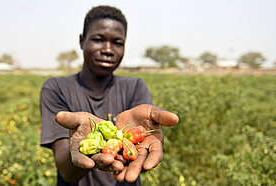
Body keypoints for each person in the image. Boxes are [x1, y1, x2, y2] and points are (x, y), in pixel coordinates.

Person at [40, 5, 179, 186]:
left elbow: (137, 151)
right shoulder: (56, 88)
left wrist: (137, 142)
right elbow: (67, 172)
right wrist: (85, 150)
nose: (108, 49)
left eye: (117, 43)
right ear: (82, 41)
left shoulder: (135, 87)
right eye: (98, 39)